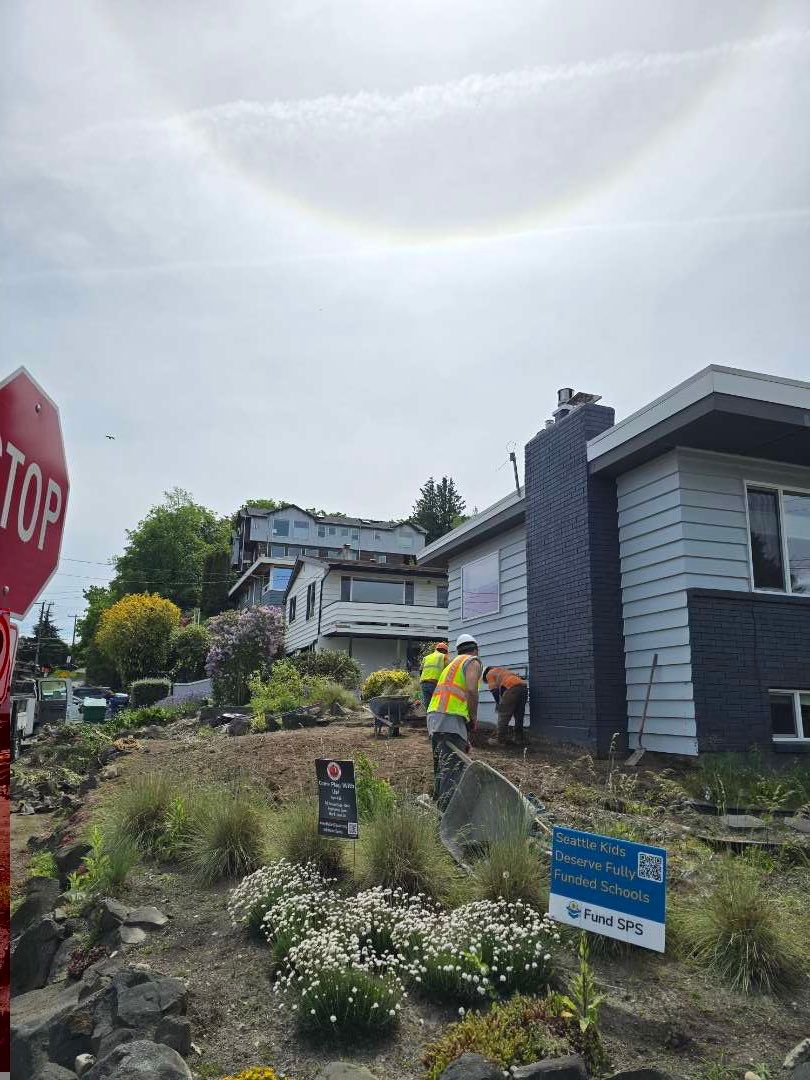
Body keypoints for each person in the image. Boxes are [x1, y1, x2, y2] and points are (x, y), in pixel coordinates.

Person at [427, 633, 482, 809]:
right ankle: (446, 815)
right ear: (476, 650)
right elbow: (472, 690)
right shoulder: (472, 661)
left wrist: (465, 735)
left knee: (441, 764)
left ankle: (438, 803)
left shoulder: (451, 665)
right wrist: (474, 717)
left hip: (434, 717)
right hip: (450, 718)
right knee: (453, 768)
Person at [483, 665, 529, 746]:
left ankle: (500, 740)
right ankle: (519, 739)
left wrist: (499, 704)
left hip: (512, 688)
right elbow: (503, 689)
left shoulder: (489, 674)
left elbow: (494, 691)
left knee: (503, 714)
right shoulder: (502, 671)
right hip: (523, 688)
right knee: (519, 715)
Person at [419, 642, 449, 708]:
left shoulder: (426, 657)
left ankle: (428, 718)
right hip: (435, 683)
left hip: (424, 683)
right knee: (437, 704)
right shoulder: (443, 656)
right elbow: (448, 670)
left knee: (428, 705)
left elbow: (420, 670)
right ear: (444, 650)